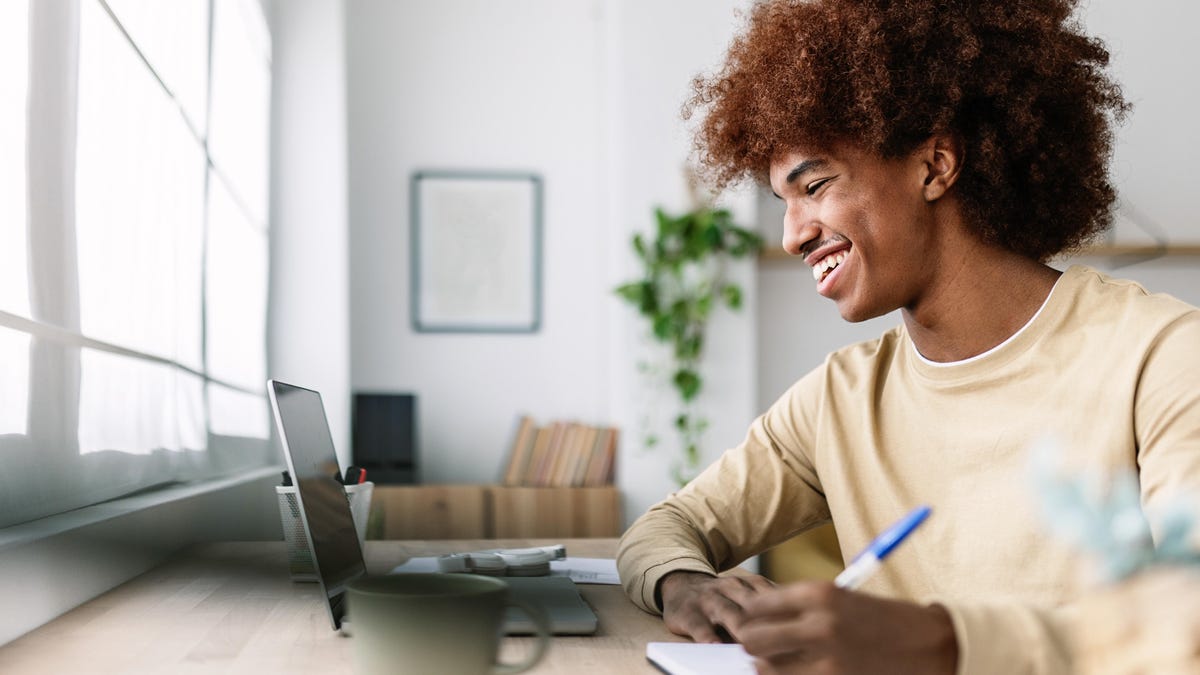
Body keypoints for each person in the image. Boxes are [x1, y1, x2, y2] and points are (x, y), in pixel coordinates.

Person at [615, 0, 1200, 673]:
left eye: (818, 185)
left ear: (934, 166)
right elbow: (662, 528)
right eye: (785, 202)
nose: (792, 233)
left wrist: (940, 641)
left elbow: (1186, 619)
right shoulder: (841, 398)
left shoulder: (1164, 358)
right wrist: (686, 584)